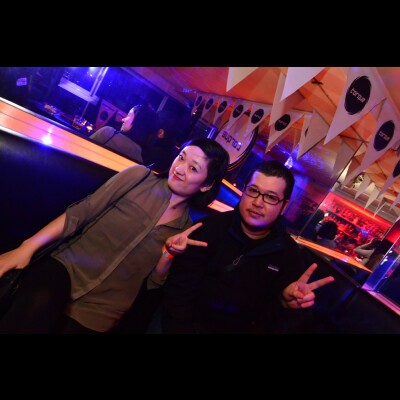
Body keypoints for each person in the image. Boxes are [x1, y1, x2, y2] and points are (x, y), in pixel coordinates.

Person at [0, 138, 230, 333]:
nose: (179, 168)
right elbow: (82, 212)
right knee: (38, 303)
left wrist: (168, 255)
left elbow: (154, 282)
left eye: (193, 168)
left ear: (206, 185)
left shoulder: (186, 228)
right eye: (181, 157)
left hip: (105, 307)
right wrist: (26, 247)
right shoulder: (139, 177)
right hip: (66, 268)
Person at [161, 160, 335, 334]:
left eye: (271, 197)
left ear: (283, 206)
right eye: (253, 191)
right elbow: (178, 292)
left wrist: (284, 302)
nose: (258, 203)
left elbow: (278, 323)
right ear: (244, 191)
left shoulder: (289, 254)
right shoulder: (210, 228)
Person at [89, 104, 159, 163]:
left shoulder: (108, 133)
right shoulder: (143, 161)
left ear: (138, 122)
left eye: (128, 115)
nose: (123, 119)